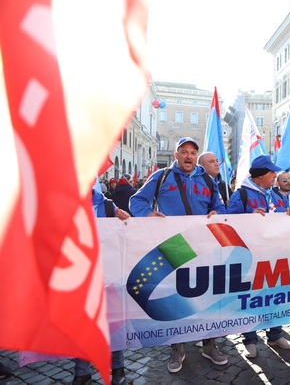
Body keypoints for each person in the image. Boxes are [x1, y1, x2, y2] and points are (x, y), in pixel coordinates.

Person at [129, 137, 228, 372]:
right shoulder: (162, 176)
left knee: (207, 295)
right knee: (177, 298)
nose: (189, 157)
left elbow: (220, 207)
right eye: (184, 152)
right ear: (176, 155)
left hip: (205, 247)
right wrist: (147, 215)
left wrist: (217, 212)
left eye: (193, 153)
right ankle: (177, 347)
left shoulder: (206, 179)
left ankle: (209, 343)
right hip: (174, 247)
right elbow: (136, 201)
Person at [226, 154, 290, 358]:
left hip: (274, 255)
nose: (275, 175)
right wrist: (248, 218)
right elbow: (229, 221)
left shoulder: (274, 194)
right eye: (272, 172)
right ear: (260, 175)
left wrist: (288, 213)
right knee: (251, 298)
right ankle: (249, 339)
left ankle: (275, 334)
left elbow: (281, 216)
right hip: (251, 257)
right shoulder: (242, 195)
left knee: (275, 296)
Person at [71, 186, 130, 385]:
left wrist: (123, 216)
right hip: (80, 275)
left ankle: (118, 368)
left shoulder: (107, 206)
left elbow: (125, 229)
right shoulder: (66, 205)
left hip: (108, 273)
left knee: (112, 321)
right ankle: (82, 372)